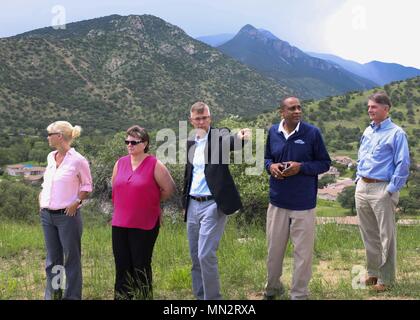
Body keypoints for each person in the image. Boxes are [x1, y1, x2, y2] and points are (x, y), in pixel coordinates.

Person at [264, 96, 331, 300]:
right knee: (274, 251)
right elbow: (267, 158)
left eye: (299, 107)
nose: (297, 111)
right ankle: (272, 289)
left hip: (303, 205)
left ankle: (299, 294)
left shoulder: (312, 133)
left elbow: (324, 163)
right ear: (281, 112)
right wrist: (271, 167)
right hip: (277, 203)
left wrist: (301, 168)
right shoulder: (273, 132)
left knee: (303, 254)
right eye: (292, 108)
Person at [182, 101, 251, 300]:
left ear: (210, 118)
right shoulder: (190, 141)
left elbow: (233, 141)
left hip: (213, 204)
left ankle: (213, 301)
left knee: (205, 255)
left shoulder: (219, 136)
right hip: (193, 203)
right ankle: (200, 296)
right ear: (191, 120)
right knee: (195, 257)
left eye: (205, 118)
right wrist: (184, 204)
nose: (202, 122)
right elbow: (189, 173)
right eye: (198, 118)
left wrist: (241, 137)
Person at [111, 125, 175, 299]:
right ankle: (122, 297)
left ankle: (143, 296)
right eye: (127, 141)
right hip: (120, 222)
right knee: (122, 264)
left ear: (145, 143)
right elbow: (115, 188)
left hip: (145, 223)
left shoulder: (154, 164)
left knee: (141, 265)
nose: (129, 145)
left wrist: (150, 202)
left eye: (134, 142)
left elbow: (169, 189)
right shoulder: (120, 163)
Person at [355, 92, 410, 292]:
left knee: (386, 235)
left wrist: (391, 190)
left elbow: (403, 164)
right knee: (368, 233)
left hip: (382, 188)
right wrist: (357, 179)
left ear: (386, 109)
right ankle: (373, 273)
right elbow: (361, 156)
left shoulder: (397, 133)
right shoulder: (367, 131)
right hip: (362, 186)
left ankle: (387, 279)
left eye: (374, 107)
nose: (370, 110)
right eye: (369, 107)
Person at [39, 121, 93, 300]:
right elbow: (47, 183)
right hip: (47, 215)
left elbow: (87, 185)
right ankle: (54, 295)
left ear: (59, 136)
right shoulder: (50, 157)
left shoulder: (78, 160)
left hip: (67, 216)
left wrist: (77, 201)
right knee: (52, 260)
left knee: (71, 259)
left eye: (49, 134)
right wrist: (41, 200)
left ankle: (72, 297)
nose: (47, 137)